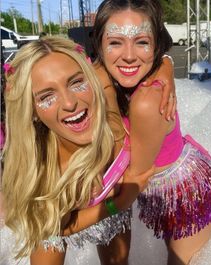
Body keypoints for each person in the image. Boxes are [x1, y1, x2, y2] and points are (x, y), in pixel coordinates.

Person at [91, 0, 211, 264]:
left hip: (185, 190)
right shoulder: (99, 75)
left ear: (155, 44)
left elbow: (129, 182)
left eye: (141, 42)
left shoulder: (148, 102)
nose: (129, 55)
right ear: (99, 45)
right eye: (116, 42)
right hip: (139, 181)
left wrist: (73, 218)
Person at [1, 36, 155, 265]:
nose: (69, 103)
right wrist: (117, 204)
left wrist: (166, 71)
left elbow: (141, 58)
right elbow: (55, 229)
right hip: (55, 222)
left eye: (76, 82)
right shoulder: (44, 175)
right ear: (32, 111)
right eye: (47, 96)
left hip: (112, 214)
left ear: (92, 80)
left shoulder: (113, 121)